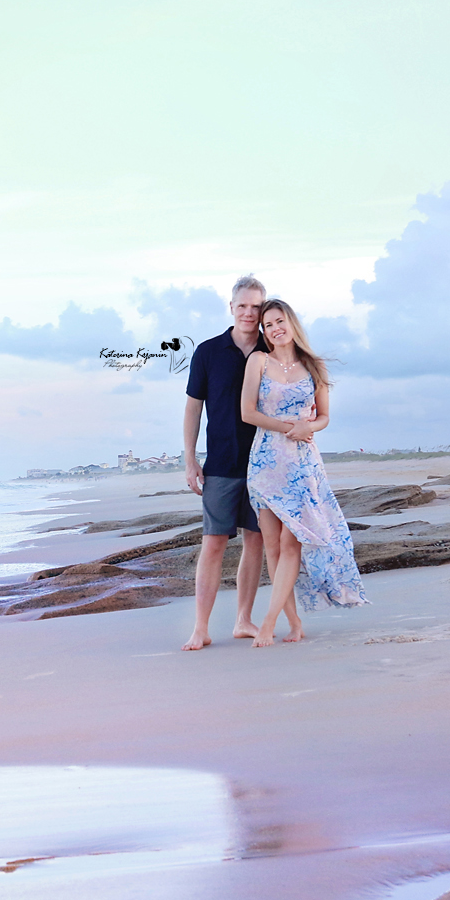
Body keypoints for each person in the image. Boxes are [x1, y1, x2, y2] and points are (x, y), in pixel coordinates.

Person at [240, 298, 368, 647]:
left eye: (279, 321)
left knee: (291, 541)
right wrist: (287, 426)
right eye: (267, 325)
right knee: (273, 547)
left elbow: (324, 416)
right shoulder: (258, 361)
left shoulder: (314, 367)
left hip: (302, 465)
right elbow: (247, 412)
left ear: (292, 323)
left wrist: (308, 426)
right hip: (266, 463)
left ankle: (267, 624)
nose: (274, 329)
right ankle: (294, 624)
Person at [180, 275, 269, 651]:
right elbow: (193, 408)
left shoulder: (274, 349)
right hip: (219, 464)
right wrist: (190, 460)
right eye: (243, 306)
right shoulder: (208, 351)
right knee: (213, 543)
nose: (249, 313)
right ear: (231, 308)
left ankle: (243, 620)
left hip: (265, 464)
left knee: (256, 541)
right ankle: (200, 628)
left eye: (256, 307)